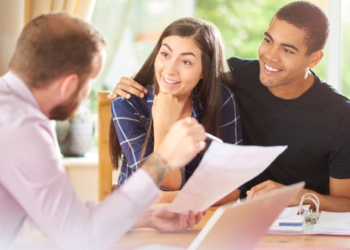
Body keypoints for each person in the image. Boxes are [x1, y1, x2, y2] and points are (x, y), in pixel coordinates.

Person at [110, 1, 350, 212]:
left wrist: (300, 195)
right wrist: (140, 83)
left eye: (287, 50)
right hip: (228, 216)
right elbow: (178, 72)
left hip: (301, 224)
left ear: (314, 59)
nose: (270, 56)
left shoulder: (340, 117)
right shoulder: (236, 77)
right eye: (268, 40)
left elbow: (346, 201)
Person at [0, 13, 207, 250]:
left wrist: (147, 216)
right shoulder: (23, 128)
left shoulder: (12, 110)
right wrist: (161, 162)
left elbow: (58, 218)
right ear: (68, 84)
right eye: (90, 82)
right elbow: (81, 237)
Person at [109, 17, 242, 203]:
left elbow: (232, 189)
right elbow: (163, 184)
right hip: (139, 220)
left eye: (186, 62)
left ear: (205, 70)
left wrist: (167, 198)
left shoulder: (220, 99)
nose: (170, 70)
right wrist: (164, 124)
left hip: (200, 217)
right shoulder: (127, 103)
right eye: (165, 54)